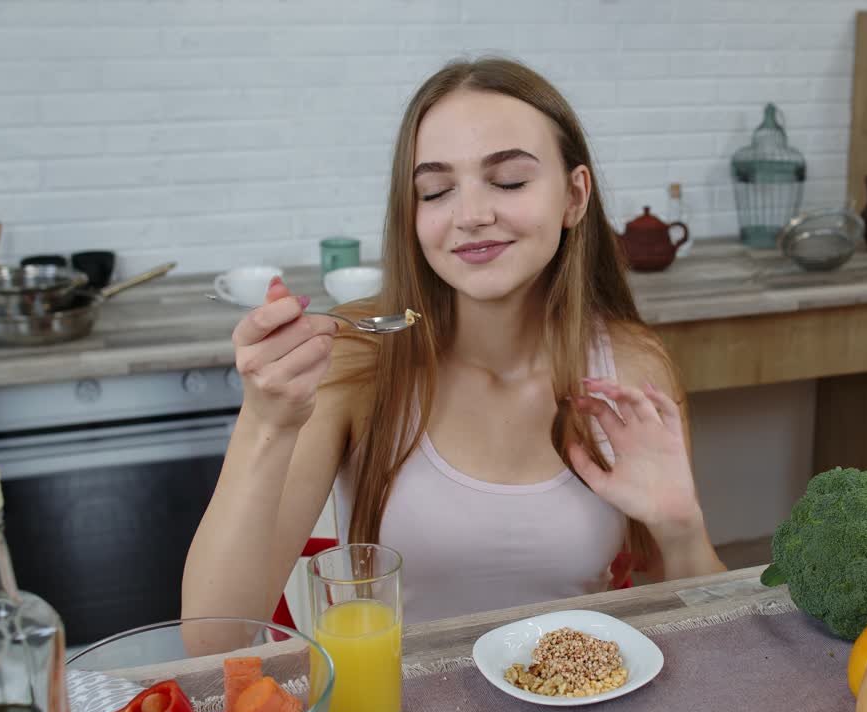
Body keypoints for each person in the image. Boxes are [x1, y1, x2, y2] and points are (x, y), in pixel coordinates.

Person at [182, 57, 726, 626]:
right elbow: (214, 636)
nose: (470, 215)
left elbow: (707, 617)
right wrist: (264, 420)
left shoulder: (634, 368)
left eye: (509, 181)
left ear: (574, 196)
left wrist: (681, 530)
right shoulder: (355, 359)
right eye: (436, 191)